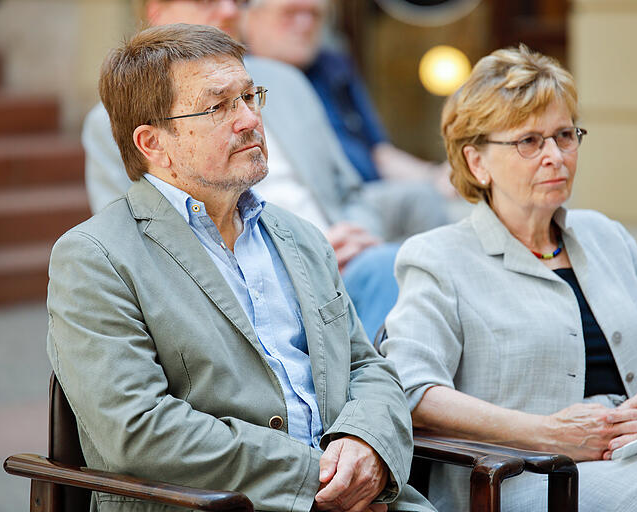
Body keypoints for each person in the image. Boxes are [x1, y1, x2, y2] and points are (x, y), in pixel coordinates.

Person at [49, 23, 435, 512]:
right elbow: (137, 429)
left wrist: (367, 445)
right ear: (153, 144)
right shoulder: (95, 257)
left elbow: (365, 365)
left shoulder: (299, 236)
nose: (250, 119)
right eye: (219, 106)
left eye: (251, 97)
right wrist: (316, 478)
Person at [380, 44, 637, 511]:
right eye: (529, 141)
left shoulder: (606, 236)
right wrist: (544, 433)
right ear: (477, 161)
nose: (555, 156)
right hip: (523, 477)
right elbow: (413, 390)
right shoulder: (438, 256)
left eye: (564, 135)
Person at [82, 0, 434, 339]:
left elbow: (350, 191)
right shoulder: (118, 122)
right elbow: (133, 243)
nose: (230, 10)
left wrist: (351, 237)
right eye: (217, 106)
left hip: (339, 259)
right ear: (157, 13)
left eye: (251, 98)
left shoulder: (287, 81)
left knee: (421, 254)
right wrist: (295, 261)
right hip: (241, 279)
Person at [239, 0, 454, 193]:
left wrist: (434, 177)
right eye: (290, 13)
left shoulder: (334, 68)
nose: (305, 25)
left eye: (314, 14)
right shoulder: (239, 83)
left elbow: (379, 154)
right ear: (251, 17)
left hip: (371, 195)